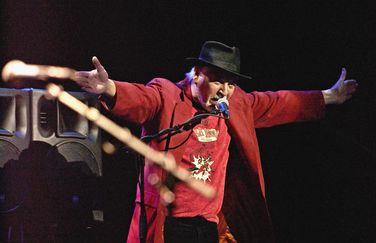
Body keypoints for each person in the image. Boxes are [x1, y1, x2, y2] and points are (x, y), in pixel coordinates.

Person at [75, 41, 358, 243]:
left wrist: (328, 96)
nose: (225, 90)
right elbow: (142, 99)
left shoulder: (235, 104)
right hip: (170, 225)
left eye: (231, 83)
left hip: (209, 225)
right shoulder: (169, 95)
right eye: (218, 80)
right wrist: (109, 88)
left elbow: (278, 103)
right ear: (196, 74)